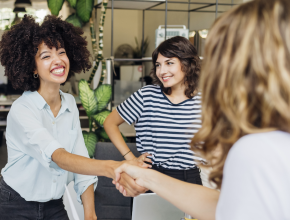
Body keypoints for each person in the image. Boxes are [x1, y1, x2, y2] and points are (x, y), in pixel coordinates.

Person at [113, 0, 290, 219]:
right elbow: (223, 208)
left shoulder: (254, 149)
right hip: (155, 173)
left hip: (190, 175)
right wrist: (141, 171)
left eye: (226, 57)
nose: (219, 70)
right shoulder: (261, 143)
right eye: (158, 64)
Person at [0, 15, 148, 220]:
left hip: (53, 205)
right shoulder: (22, 109)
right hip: (16, 204)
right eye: (46, 56)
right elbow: (58, 157)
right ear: (32, 67)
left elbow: (81, 160)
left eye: (61, 52)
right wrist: (113, 167)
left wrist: (90, 214)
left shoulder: (69, 104)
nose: (58, 60)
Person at [104, 36, 204, 195]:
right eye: (158, 65)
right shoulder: (147, 96)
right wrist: (130, 158)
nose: (162, 71)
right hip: (150, 178)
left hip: (189, 178)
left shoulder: (204, 101)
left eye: (169, 63)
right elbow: (109, 122)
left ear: (188, 64)